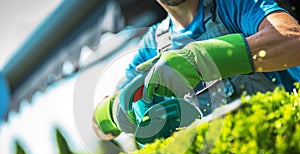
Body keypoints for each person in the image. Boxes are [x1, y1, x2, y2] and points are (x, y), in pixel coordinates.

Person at [93, 0, 300, 143]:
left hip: (283, 150)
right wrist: (112, 111)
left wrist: (202, 59)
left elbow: (293, 39)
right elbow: (98, 128)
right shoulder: (150, 47)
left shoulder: (233, 5)